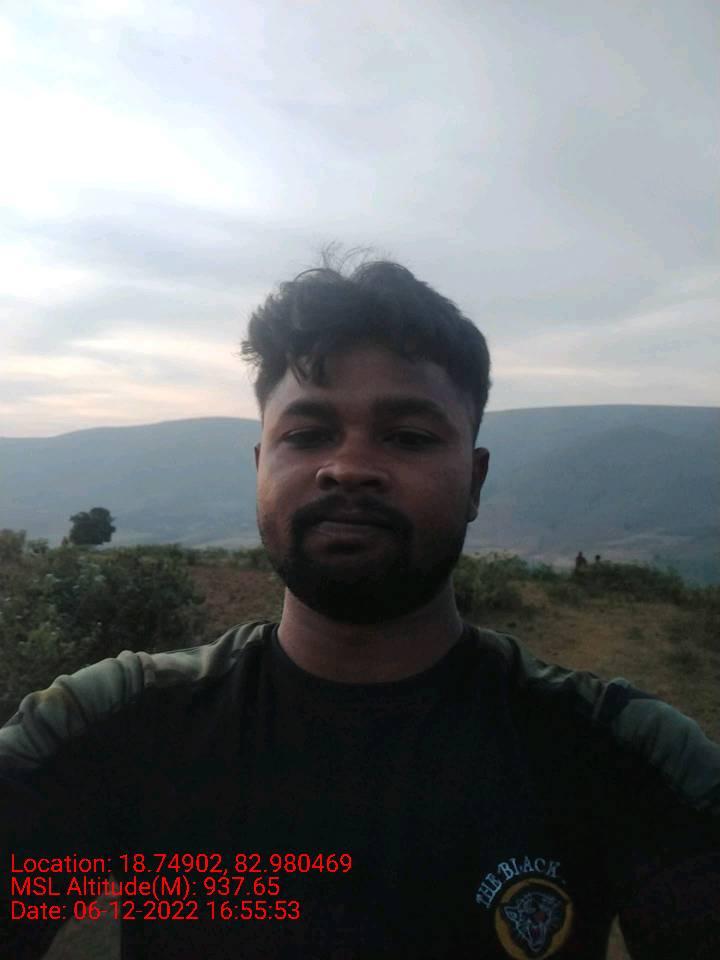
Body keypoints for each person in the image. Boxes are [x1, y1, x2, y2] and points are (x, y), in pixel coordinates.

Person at [1, 249, 719, 960]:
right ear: (260, 468)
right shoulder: (115, 726)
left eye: (407, 437)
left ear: (474, 482)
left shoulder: (621, 753)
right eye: (307, 434)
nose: (347, 468)